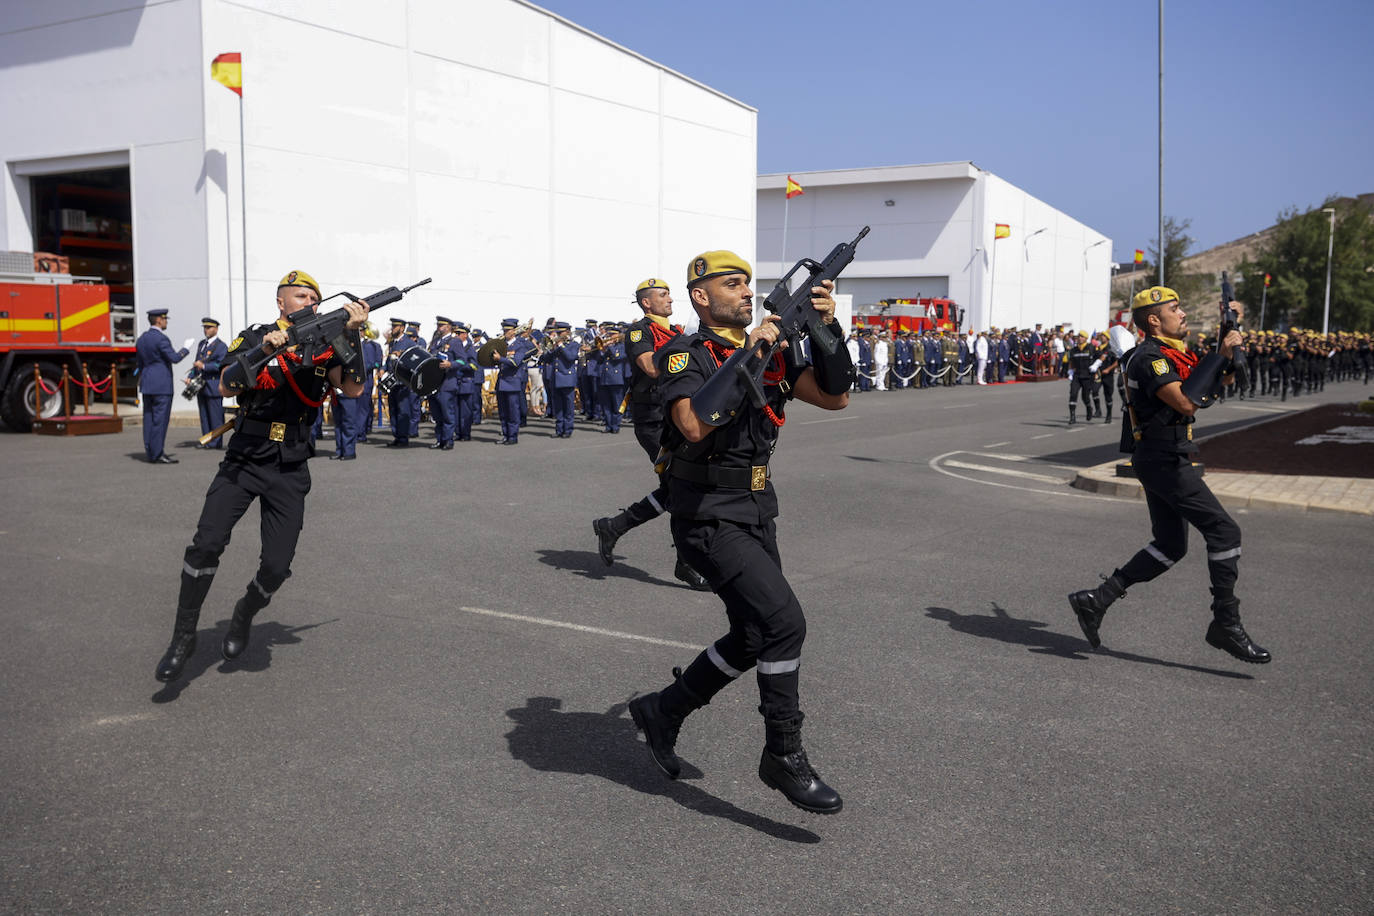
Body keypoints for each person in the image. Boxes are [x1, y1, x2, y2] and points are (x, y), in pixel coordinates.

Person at [625, 249, 853, 814]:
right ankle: (782, 752)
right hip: (705, 513)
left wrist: (828, 331)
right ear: (701, 297)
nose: (746, 292)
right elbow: (692, 423)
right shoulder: (686, 352)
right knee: (784, 623)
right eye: (732, 284)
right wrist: (752, 349)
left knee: (755, 636)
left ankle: (665, 710)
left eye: (749, 284)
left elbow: (836, 395)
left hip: (754, 508)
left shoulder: (768, 355)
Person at [154, 270, 369, 682]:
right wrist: (266, 351)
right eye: (301, 296)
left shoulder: (329, 342)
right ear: (281, 302)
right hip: (246, 458)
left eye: (314, 298)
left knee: (276, 566)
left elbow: (353, 390)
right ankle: (183, 637)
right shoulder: (256, 336)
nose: (310, 303)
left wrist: (353, 333)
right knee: (206, 544)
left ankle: (244, 613)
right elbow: (226, 385)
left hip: (290, 465)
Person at [1067, 286, 1270, 665]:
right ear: (1154, 320)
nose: (1183, 313)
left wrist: (1228, 343)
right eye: (1175, 309)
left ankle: (1098, 599)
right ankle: (1225, 623)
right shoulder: (1149, 358)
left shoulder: (1173, 354)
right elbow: (1184, 400)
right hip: (1163, 459)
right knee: (1225, 532)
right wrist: (1219, 354)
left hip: (1165, 456)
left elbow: (1214, 384)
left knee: (1171, 545)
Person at [592, 278, 710, 590]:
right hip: (654, 420)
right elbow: (652, 367)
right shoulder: (638, 331)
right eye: (662, 294)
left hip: (679, 414)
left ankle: (614, 527)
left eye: (670, 293)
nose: (670, 299)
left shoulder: (674, 333)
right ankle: (684, 562)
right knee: (679, 486)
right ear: (647, 302)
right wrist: (683, 344)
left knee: (680, 487)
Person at [136, 308, 190, 464]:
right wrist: (185, 349)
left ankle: (150, 451)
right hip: (161, 385)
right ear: (159, 320)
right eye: (165, 319)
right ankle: (158, 453)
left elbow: (140, 363)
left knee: (148, 418)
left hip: (147, 383)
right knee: (160, 420)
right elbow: (174, 358)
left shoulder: (142, 339)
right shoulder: (161, 339)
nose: (166, 321)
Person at [190, 317, 229, 449]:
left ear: (216, 329)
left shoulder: (221, 346)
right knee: (204, 415)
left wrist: (205, 367)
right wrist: (191, 377)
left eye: (209, 327)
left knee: (215, 416)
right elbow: (197, 362)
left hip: (213, 384)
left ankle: (216, 441)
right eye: (205, 328)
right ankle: (206, 440)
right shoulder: (202, 344)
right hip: (201, 384)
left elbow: (221, 365)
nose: (206, 330)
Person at [428, 316, 459, 450]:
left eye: (441, 325)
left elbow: (464, 361)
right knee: (437, 415)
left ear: (448, 327)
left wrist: (451, 364)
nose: (438, 327)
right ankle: (440, 439)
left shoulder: (455, 342)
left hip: (447, 383)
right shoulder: (435, 342)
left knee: (447, 415)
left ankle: (448, 441)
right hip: (435, 384)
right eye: (438, 325)